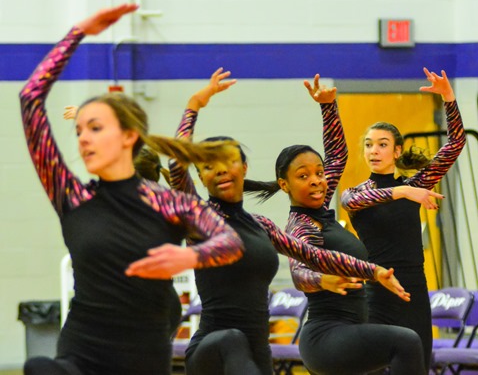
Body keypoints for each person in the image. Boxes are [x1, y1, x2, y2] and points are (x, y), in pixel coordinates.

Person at [126, 69, 411, 375]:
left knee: (244, 347)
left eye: (229, 162)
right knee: (232, 340)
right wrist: (194, 104)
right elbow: (176, 166)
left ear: (244, 167)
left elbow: (314, 256)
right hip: (213, 348)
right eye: (209, 166)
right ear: (201, 176)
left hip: (256, 352)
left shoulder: (262, 225)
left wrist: (374, 271)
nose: (221, 171)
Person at [19, 4, 247, 375]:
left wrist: (191, 258)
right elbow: (30, 99)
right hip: (80, 350)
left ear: (128, 136)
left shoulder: (169, 202)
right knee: (40, 369)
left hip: (142, 355)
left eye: (95, 128)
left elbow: (230, 243)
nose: (83, 140)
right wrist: (77, 33)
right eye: (79, 131)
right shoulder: (72, 196)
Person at [244, 74, 426, 374]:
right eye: (303, 176)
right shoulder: (302, 225)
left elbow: (338, 157)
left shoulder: (320, 207)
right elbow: (300, 273)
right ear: (284, 184)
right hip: (328, 336)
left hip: (352, 330)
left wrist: (328, 107)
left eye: (318, 172)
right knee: (406, 342)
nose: (316, 180)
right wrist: (323, 279)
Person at [341, 67, 466, 371]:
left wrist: (449, 97)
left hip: (413, 291)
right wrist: (404, 192)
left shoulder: (414, 188)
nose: (374, 150)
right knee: (373, 366)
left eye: (382, 144)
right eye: (369, 144)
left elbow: (455, 145)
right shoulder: (357, 192)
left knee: (416, 366)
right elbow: (354, 201)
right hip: (377, 291)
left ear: (396, 151)